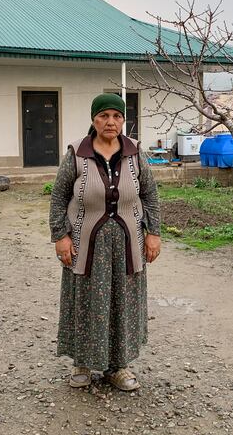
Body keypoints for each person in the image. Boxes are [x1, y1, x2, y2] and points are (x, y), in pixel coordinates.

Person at [50, 93, 161, 391]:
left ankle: (118, 366)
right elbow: (59, 197)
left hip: (127, 244)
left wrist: (153, 233)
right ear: (94, 119)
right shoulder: (77, 153)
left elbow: (150, 194)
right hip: (85, 244)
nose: (110, 122)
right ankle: (82, 363)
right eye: (103, 116)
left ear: (123, 120)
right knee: (85, 301)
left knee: (123, 302)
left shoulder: (135, 152)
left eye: (116, 116)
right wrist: (60, 236)